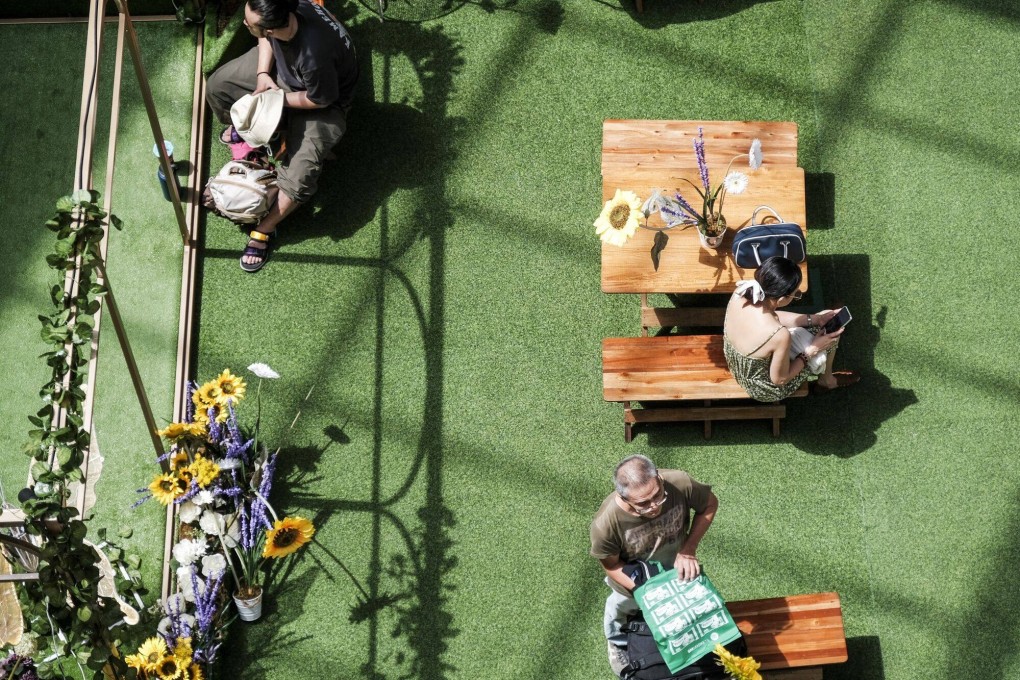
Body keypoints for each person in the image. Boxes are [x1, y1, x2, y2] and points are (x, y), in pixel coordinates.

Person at [206, 0, 359, 272]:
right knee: (218, 85)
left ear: (271, 28)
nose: (245, 25)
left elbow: (320, 100)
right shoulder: (284, 9)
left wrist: (276, 100)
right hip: (287, 74)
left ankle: (264, 229)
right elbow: (267, 40)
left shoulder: (314, 57)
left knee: (300, 176)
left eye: (249, 24)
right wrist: (263, 73)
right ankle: (251, 130)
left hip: (324, 102)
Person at [590, 455, 719, 675]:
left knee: (690, 615)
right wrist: (644, 591)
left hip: (679, 570)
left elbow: (709, 504)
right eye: (643, 504)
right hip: (635, 582)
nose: (654, 507)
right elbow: (611, 567)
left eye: (658, 495)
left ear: (658, 478)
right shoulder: (605, 524)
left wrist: (688, 550)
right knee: (621, 613)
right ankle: (617, 644)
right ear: (623, 497)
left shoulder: (679, 482)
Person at [723, 256, 857, 402]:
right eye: (795, 294)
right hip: (764, 388)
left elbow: (773, 316)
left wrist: (816, 319)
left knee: (824, 317)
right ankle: (827, 381)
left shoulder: (741, 292)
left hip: (737, 366)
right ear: (781, 299)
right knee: (830, 337)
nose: (795, 296)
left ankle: (826, 376)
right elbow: (780, 379)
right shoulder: (779, 335)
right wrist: (813, 349)